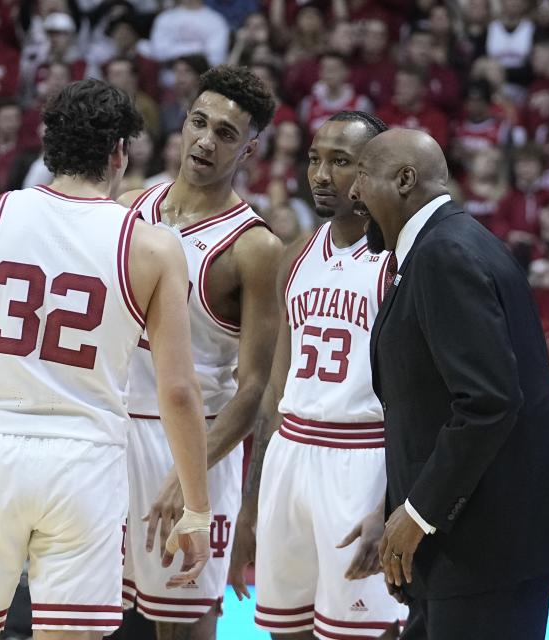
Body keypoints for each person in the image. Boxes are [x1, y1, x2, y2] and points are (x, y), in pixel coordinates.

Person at [0, 79, 212, 639]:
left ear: (49, 146)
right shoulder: (155, 246)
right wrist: (198, 510)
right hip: (87, 465)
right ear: (120, 153)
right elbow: (179, 391)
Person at [348, 128, 549, 640]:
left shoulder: (445, 255)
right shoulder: (445, 245)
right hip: (468, 540)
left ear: (404, 180)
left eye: (361, 175)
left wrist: (417, 513)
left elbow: (488, 401)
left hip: (488, 545)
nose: (353, 192)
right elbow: (429, 405)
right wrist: (397, 508)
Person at [227, 111, 405, 640]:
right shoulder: (295, 255)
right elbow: (274, 394)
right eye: (315, 159)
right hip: (292, 453)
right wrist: (249, 507)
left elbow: (414, 403)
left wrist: (390, 505)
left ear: (374, 172)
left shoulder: (400, 262)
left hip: (363, 458)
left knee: (365, 632)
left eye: (341, 162)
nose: (322, 175)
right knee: (286, 630)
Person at [117, 64, 281, 639]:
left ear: (250, 148)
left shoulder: (255, 247)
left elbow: (255, 389)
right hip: (111, 432)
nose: (207, 141)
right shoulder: (128, 207)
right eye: (199, 123)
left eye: (227, 133)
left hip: (193, 443)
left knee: (183, 626)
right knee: (82, 613)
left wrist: (186, 477)